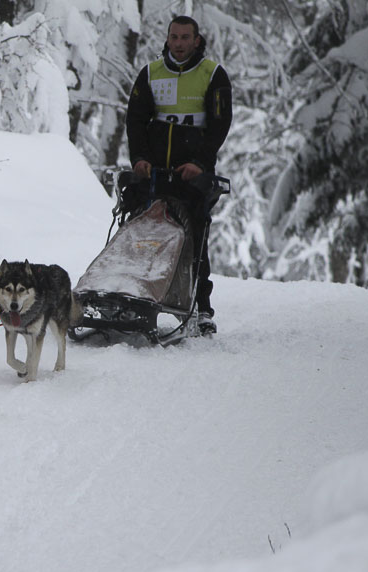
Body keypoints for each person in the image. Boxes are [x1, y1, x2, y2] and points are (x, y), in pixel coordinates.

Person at [125, 15, 232, 334]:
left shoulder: (213, 74)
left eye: (186, 37)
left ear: (197, 40)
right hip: (155, 171)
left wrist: (200, 163)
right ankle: (133, 295)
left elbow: (219, 124)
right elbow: (135, 120)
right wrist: (139, 158)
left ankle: (202, 307)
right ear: (167, 39)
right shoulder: (151, 73)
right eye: (174, 37)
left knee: (195, 237)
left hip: (192, 173)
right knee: (140, 233)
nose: (180, 43)